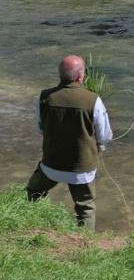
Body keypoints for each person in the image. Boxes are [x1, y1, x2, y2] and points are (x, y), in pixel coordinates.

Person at [26, 55, 113, 231]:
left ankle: (30, 226)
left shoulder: (44, 97)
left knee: (33, 192)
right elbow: (105, 135)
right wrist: (100, 146)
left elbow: (40, 127)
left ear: (60, 75)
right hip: (81, 171)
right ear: (81, 77)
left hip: (50, 167)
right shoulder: (93, 100)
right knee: (85, 208)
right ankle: (86, 246)